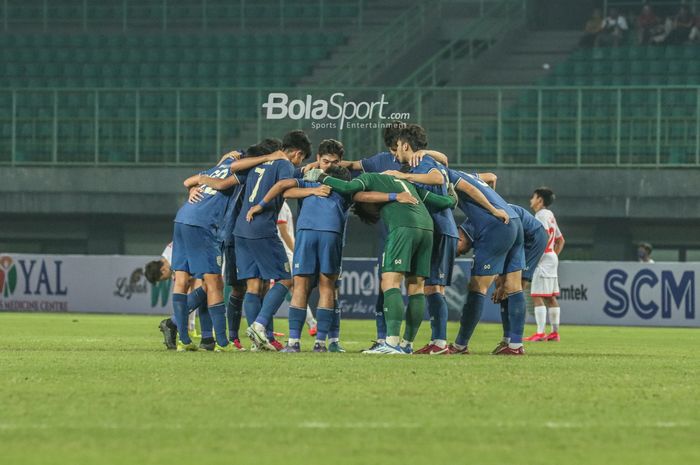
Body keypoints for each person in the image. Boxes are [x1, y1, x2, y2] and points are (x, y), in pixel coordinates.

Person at [303, 168, 457, 355]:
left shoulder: (369, 178)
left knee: (389, 282)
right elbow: (444, 202)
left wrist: (321, 177)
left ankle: (391, 343)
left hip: (403, 228)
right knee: (416, 287)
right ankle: (407, 344)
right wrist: (452, 195)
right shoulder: (408, 184)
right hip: (427, 230)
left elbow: (349, 186)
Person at [173, 145, 287, 352]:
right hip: (204, 224)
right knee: (214, 282)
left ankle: (183, 339)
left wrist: (197, 184)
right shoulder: (242, 171)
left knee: (182, 279)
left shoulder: (216, 168)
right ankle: (222, 343)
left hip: (182, 219)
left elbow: (187, 181)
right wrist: (269, 157)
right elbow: (227, 178)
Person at [248, 140, 350, 353]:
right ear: (318, 160)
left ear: (341, 162)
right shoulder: (307, 176)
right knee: (301, 284)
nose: (329, 166)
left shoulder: (345, 179)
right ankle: (294, 341)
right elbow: (286, 191)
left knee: (327, 286)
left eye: (335, 162)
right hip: (306, 233)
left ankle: (323, 342)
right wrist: (312, 190)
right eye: (325, 161)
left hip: (332, 236)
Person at [381, 124, 459, 355]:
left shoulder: (419, 162)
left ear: (405, 145)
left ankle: (439, 342)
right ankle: (435, 341)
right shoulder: (423, 159)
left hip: (440, 227)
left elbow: (436, 178)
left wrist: (403, 175)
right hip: (436, 228)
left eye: (397, 149)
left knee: (433, 287)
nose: (396, 156)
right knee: (426, 287)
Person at [232, 130, 312, 351]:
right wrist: (312, 190)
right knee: (285, 279)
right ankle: (259, 325)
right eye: (301, 158)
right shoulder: (284, 164)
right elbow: (285, 190)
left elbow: (236, 171)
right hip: (262, 227)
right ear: (297, 153)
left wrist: (304, 170)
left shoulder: (260, 164)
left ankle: (256, 342)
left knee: (253, 285)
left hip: (241, 229)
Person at [447, 170, 527, 356]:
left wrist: (491, 210)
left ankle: (460, 346)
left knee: (477, 288)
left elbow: (469, 190)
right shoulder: (466, 174)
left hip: (496, 224)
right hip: (513, 219)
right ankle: (515, 346)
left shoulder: (445, 175)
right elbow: (492, 177)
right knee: (514, 287)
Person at [491, 204, 548, 353]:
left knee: (515, 287)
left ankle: (516, 344)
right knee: (501, 285)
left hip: (533, 239)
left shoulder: (494, 213)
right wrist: (500, 283)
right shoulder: (490, 211)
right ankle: (507, 339)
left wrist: (503, 285)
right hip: (517, 239)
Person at [145, 242, 209, 350]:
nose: (165, 279)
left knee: (206, 287)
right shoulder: (167, 253)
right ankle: (176, 323)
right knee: (208, 286)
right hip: (201, 249)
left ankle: (176, 323)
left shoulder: (173, 261)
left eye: (163, 279)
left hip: (200, 250)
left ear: (163, 270)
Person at [524, 187, 565, 342]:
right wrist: (552, 254)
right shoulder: (550, 215)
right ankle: (554, 333)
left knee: (537, 296)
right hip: (551, 257)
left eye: (533, 197)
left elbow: (544, 235)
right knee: (550, 297)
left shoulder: (540, 215)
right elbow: (561, 240)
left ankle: (540, 333)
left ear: (540, 200)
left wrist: (539, 256)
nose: (531, 200)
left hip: (543, 258)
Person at [276, 200, 318, 337]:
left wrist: (295, 251)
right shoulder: (282, 204)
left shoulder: (281, 205)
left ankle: (263, 327)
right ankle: (312, 322)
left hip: (285, 253)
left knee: (292, 289)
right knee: (294, 290)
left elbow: (283, 232)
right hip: (283, 253)